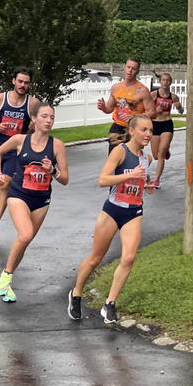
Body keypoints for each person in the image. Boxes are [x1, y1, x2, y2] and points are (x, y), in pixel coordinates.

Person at [67, 115, 157, 324]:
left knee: (128, 258)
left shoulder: (147, 158)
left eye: (150, 130)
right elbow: (103, 180)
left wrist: (146, 185)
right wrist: (130, 175)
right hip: (112, 210)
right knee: (96, 258)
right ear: (132, 131)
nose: (148, 134)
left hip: (134, 212)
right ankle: (76, 293)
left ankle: (109, 304)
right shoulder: (120, 151)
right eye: (144, 130)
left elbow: (141, 179)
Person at [0, 103, 69, 302]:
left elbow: (65, 179)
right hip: (18, 195)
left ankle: (7, 286)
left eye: (52, 117)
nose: (49, 120)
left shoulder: (57, 145)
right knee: (25, 235)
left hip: (42, 200)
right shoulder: (20, 140)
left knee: (24, 243)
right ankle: (5, 277)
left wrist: (52, 171)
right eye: (44, 116)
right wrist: (0, 174)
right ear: (34, 119)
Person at [0, 68, 40, 239]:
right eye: (20, 81)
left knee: (4, 184)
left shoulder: (32, 102)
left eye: (26, 82)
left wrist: (33, 125)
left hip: (16, 151)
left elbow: (42, 118)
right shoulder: (2, 98)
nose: (23, 85)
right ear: (13, 81)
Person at [97, 58, 156, 153]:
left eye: (133, 68)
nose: (130, 71)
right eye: (128, 67)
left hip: (134, 129)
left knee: (130, 160)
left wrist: (135, 117)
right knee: (114, 159)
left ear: (137, 71)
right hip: (117, 127)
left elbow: (152, 113)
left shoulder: (142, 90)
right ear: (124, 68)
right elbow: (109, 108)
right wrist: (103, 107)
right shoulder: (116, 88)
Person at [150, 72, 184, 186]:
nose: (165, 82)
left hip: (167, 124)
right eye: (163, 80)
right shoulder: (153, 95)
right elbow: (147, 112)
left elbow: (181, 111)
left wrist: (179, 107)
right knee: (155, 155)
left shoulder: (173, 97)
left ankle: (156, 180)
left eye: (168, 80)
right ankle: (165, 150)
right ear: (160, 82)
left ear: (170, 82)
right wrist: (156, 111)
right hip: (155, 125)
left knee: (161, 154)